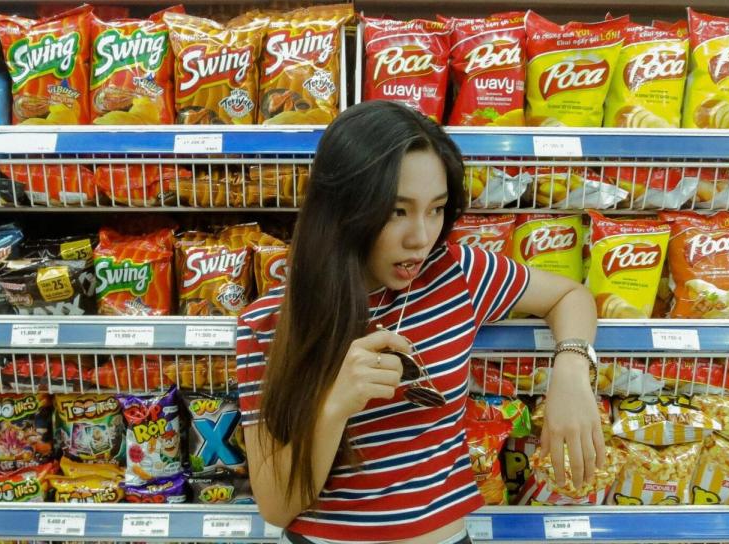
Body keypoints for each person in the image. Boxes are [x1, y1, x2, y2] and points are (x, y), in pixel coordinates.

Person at [236, 100, 603, 544]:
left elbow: (570, 295)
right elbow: (276, 506)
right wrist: (334, 405)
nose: (421, 238)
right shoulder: (268, 324)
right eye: (397, 211)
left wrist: (571, 371)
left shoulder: (458, 273)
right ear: (342, 207)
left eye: (436, 209)